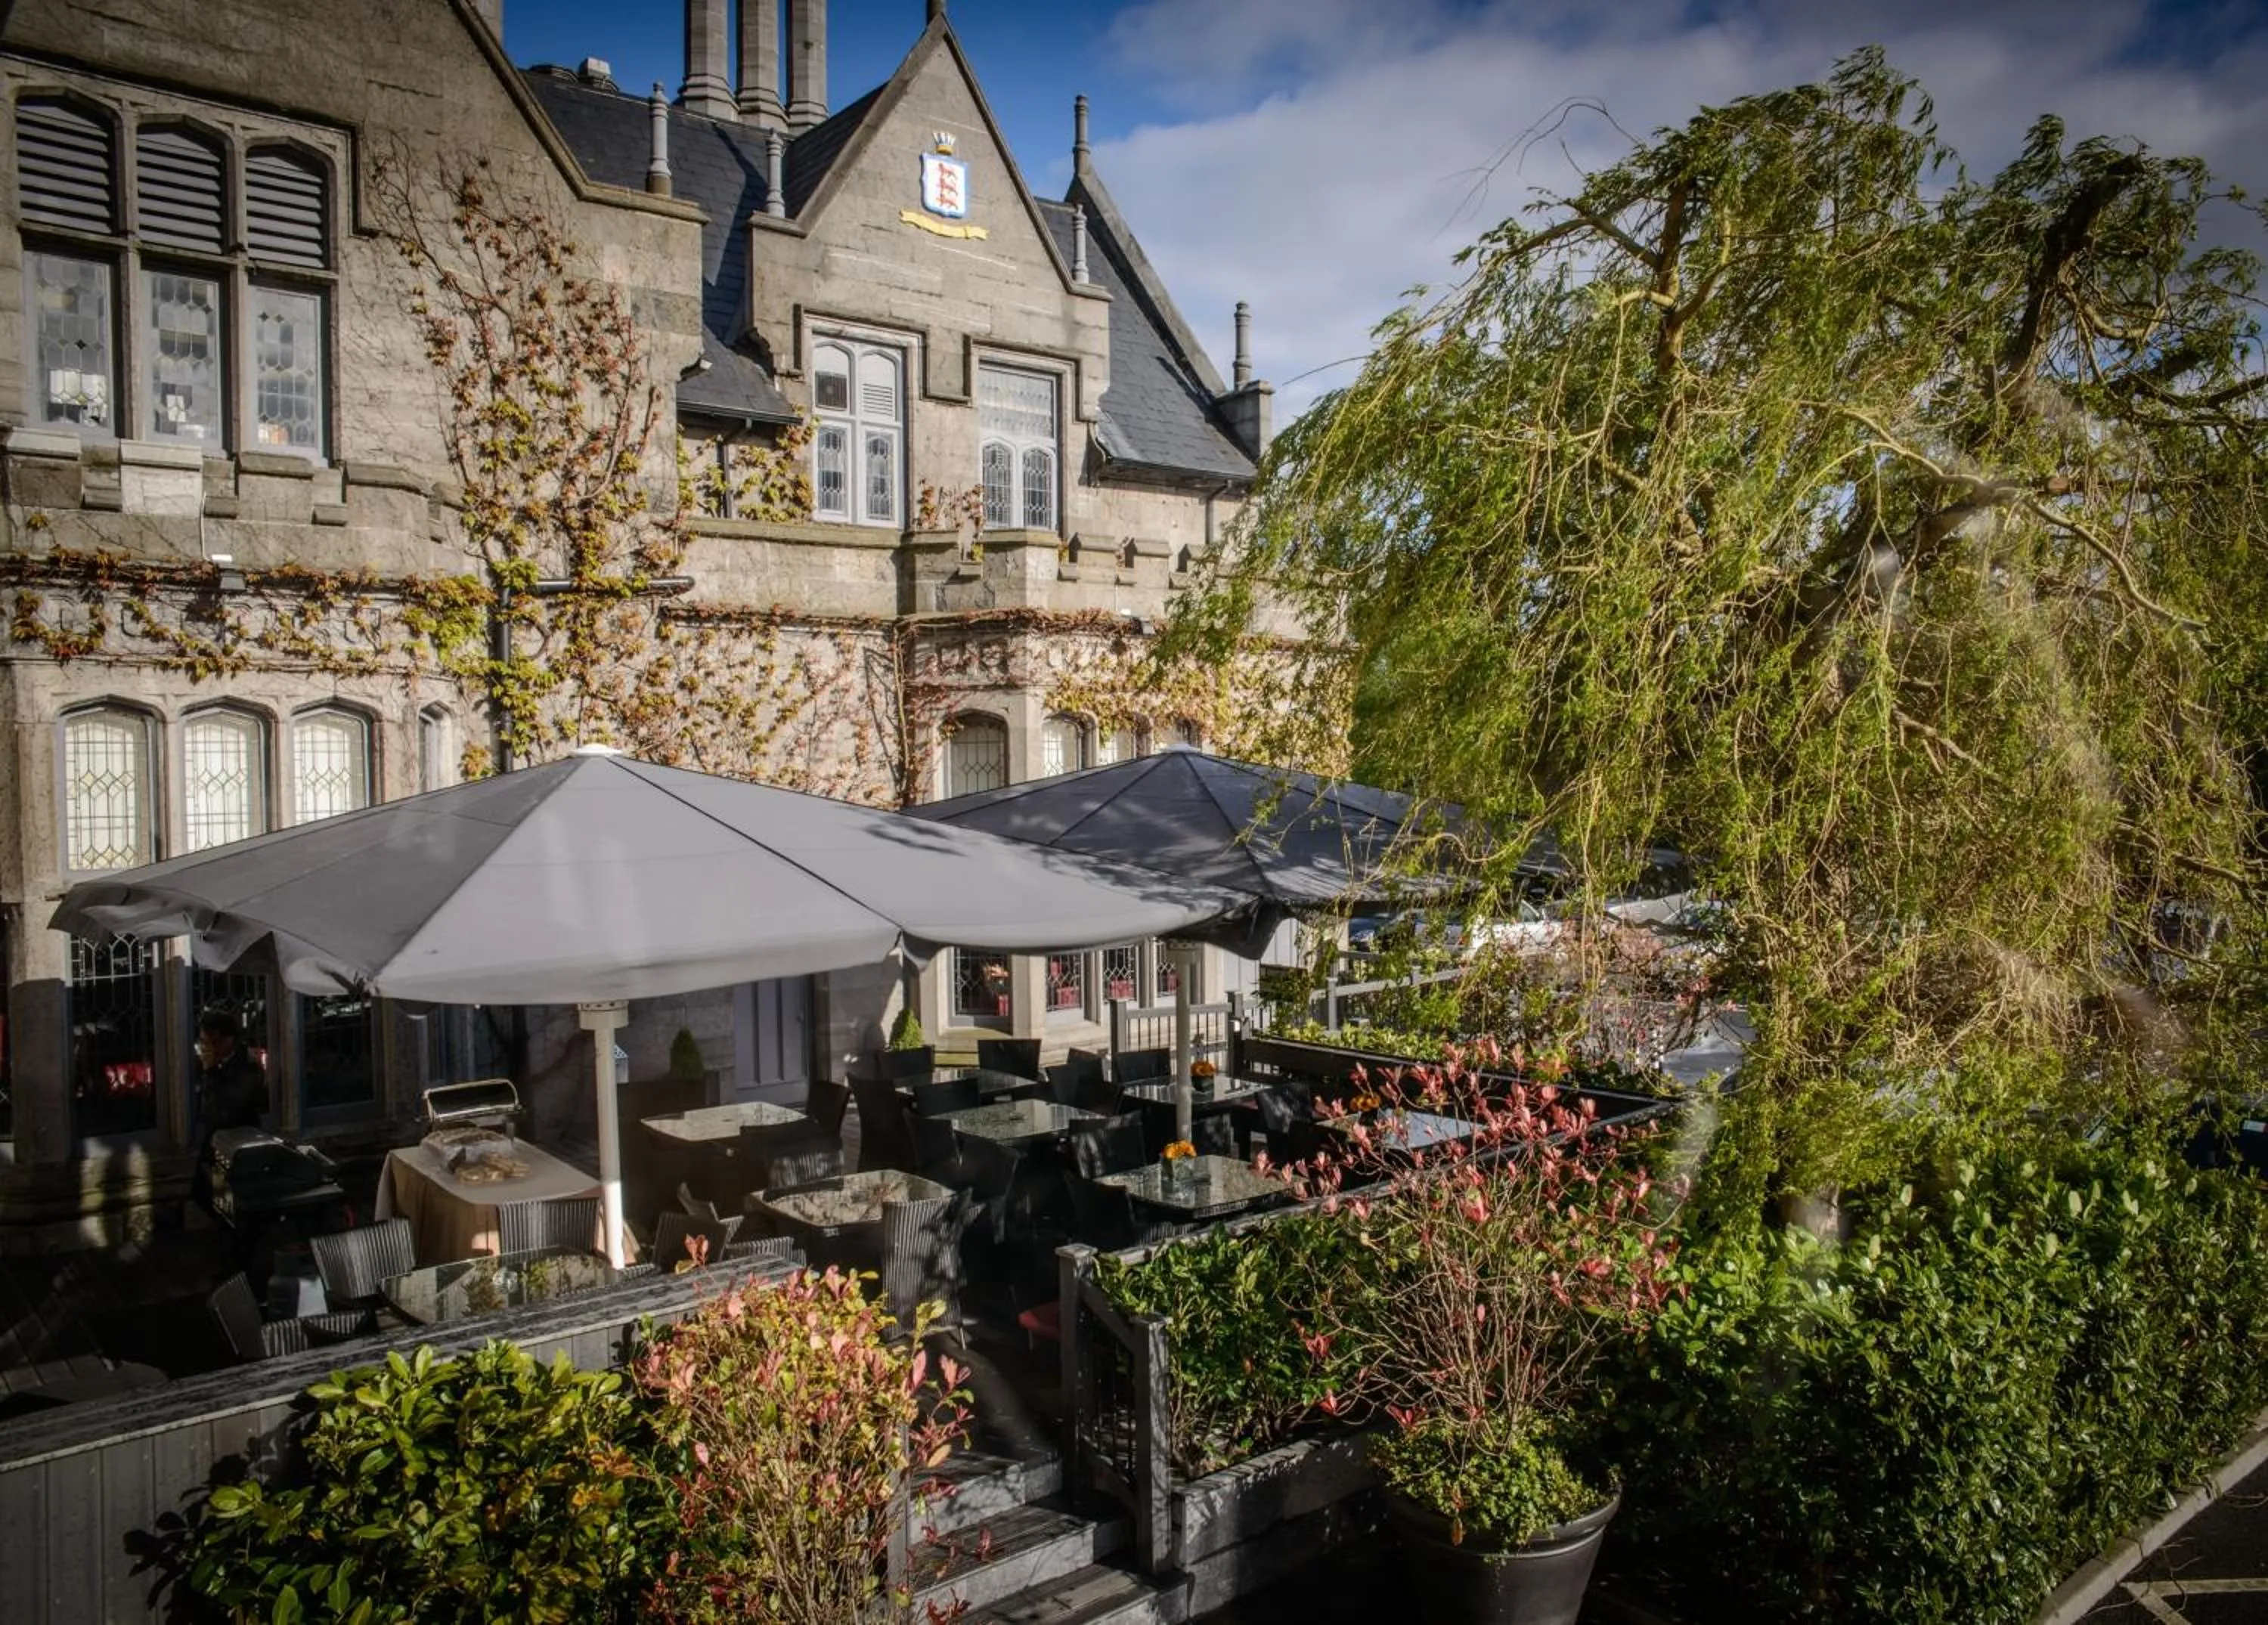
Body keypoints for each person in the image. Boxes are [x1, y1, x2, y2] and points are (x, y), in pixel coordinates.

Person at [194, 1008, 269, 1153]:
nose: (207, 1048)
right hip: (214, 1140)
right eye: (203, 1043)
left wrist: (212, 1071)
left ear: (229, 1040)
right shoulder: (205, 1061)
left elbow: (230, 1109)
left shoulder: (248, 1065)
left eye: (213, 1043)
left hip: (241, 1143)